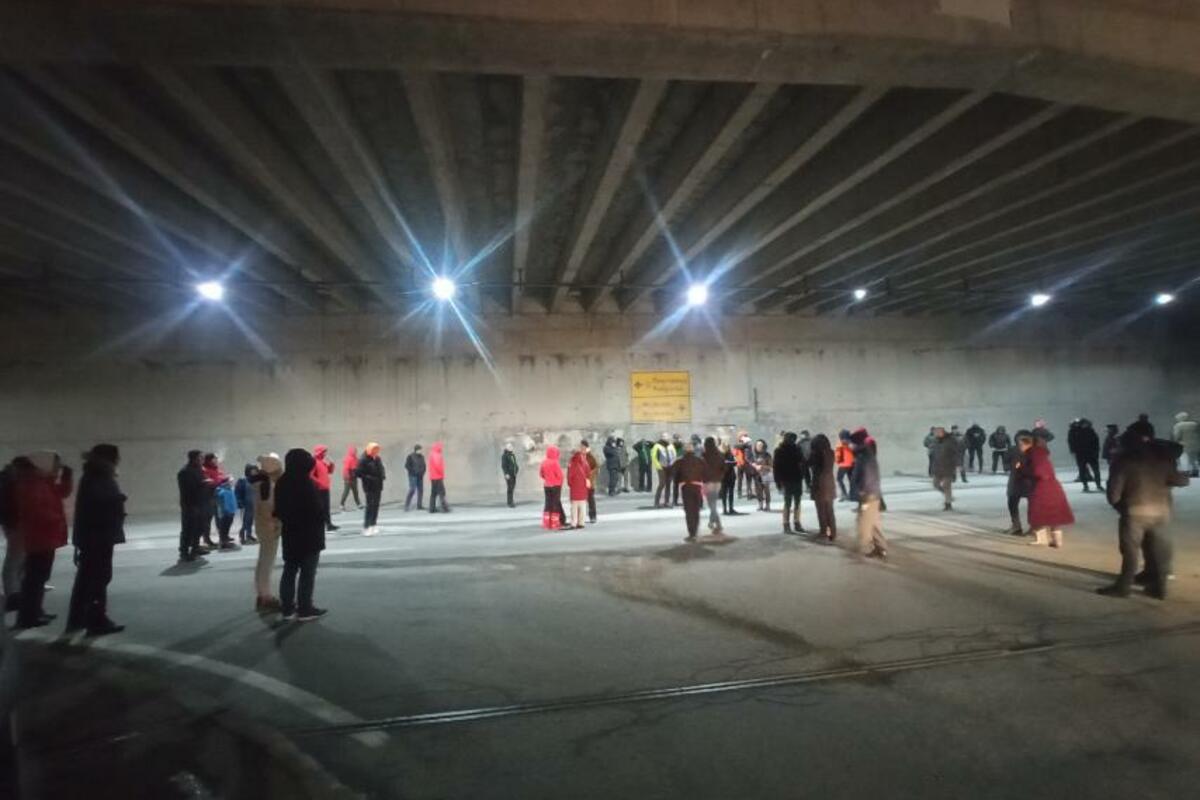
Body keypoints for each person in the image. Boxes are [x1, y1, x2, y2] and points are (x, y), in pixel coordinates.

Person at [1098, 423, 1188, 599]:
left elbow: (1113, 495)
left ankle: (1123, 587)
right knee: (1158, 550)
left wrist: (1121, 507)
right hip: (1161, 511)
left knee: (1130, 551)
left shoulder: (1123, 462)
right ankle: (1159, 589)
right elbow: (1182, 481)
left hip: (1135, 512)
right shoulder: (1162, 459)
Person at [66, 444, 126, 636]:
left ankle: (79, 619)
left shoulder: (93, 474)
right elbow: (100, 504)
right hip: (98, 536)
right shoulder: (99, 476)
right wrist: (118, 500)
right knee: (98, 578)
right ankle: (96, 620)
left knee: (87, 579)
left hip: (93, 535)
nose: (118, 460)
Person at [13, 451, 73, 628]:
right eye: (55, 464)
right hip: (40, 537)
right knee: (35, 578)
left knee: (38, 577)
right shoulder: (31, 484)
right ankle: (28, 616)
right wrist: (57, 520)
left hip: (45, 536)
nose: (57, 467)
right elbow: (37, 512)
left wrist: (66, 476)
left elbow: (62, 492)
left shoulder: (41, 481)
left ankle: (34, 611)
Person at [273, 449, 327, 622]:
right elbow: (316, 509)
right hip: (309, 535)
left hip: (290, 534)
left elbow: (278, 509)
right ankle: (304, 609)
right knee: (307, 573)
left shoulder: (282, 481)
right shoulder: (306, 482)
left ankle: (287, 609)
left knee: (289, 571)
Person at [1026, 431, 1074, 547]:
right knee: (1054, 514)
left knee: (1038, 513)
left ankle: (1042, 539)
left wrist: (1027, 473)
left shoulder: (1035, 452)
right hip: (1053, 486)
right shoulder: (1043, 453)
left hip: (1041, 487)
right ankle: (1057, 540)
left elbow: (1039, 471)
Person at [251, 453, 283, 611]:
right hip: (269, 527)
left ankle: (261, 593)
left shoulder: (260, 483)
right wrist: (275, 522)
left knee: (263, 560)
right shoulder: (267, 485)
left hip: (263, 527)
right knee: (267, 563)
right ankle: (266, 597)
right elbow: (267, 509)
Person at [1, 457, 32, 612]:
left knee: (18, 558)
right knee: (16, 558)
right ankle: (13, 594)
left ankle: (15, 592)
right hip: (15, 523)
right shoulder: (11, 482)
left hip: (13, 523)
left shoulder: (8, 480)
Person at [850, 429, 887, 560]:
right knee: (874, 522)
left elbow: (868, 475)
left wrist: (863, 491)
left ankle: (865, 548)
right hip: (872, 495)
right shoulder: (867, 455)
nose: (851, 445)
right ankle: (880, 548)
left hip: (868, 496)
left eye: (852, 443)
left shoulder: (863, 457)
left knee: (863, 522)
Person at [177, 450, 209, 562]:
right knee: (188, 528)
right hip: (190, 505)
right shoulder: (185, 472)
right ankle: (184, 551)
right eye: (201, 457)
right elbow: (188, 489)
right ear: (194, 458)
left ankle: (195, 548)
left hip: (201, 503)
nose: (203, 460)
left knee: (200, 527)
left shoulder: (199, 469)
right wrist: (204, 483)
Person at [1004, 431, 1035, 536]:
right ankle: (1017, 525)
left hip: (1027, 480)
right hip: (1018, 480)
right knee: (1013, 502)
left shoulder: (1034, 451)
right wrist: (1013, 467)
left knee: (1032, 504)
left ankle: (1032, 526)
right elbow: (1006, 464)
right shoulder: (1012, 450)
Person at [773, 432, 806, 534]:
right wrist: (778, 481)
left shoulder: (783, 450)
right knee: (792, 502)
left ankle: (791, 523)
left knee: (792, 502)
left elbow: (776, 468)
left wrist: (778, 481)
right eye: (791, 439)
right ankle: (791, 523)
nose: (792, 441)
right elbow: (776, 467)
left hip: (791, 478)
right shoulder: (783, 450)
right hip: (791, 478)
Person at [809, 434, 837, 542]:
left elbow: (808, 464)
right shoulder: (831, 452)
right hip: (830, 482)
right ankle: (832, 532)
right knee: (829, 509)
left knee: (821, 510)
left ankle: (824, 531)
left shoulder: (815, 454)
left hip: (819, 483)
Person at [677, 442, 707, 542]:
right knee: (696, 510)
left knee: (689, 511)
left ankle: (692, 533)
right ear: (693, 450)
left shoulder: (680, 461)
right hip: (697, 487)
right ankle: (695, 531)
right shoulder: (700, 460)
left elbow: (675, 474)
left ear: (684, 450)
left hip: (686, 487)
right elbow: (706, 473)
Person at [357, 443, 386, 535]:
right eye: (374, 449)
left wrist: (383, 475)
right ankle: (366, 526)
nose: (375, 451)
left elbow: (381, 468)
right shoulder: (363, 460)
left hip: (378, 485)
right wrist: (369, 478)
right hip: (369, 486)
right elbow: (359, 473)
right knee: (370, 505)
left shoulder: (377, 458)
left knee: (376, 505)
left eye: (376, 450)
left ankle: (373, 524)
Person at [200, 453, 227, 548]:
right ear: (209, 460)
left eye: (216, 458)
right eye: (214, 458)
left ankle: (222, 537)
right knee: (208, 519)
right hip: (209, 497)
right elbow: (209, 483)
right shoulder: (204, 470)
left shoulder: (216, 469)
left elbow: (220, 477)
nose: (216, 460)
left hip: (218, 496)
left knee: (219, 518)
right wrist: (221, 482)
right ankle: (206, 539)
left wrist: (225, 480)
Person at [310, 445, 339, 532]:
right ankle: (319, 525)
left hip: (325, 488)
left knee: (326, 507)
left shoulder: (322, 462)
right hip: (319, 489)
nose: (325, 454)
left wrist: (332, 464)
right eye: (324, 452)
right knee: (320, 508)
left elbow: (330, 471)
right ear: (319, 452)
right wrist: (319, 482)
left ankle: (329, 524)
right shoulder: (314, 462)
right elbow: (310, 475)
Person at [540, 445, 567, 530]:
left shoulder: (544, 462)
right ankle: (555, 523)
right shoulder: (555, 463)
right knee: (555, 503)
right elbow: (560, 475)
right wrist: (560, 482)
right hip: (556, 486)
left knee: (547, 503)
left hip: (546, 485)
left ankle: (546, 522)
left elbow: (541, 474)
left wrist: (547, 479)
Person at [931, 427, 959, 511]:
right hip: (938, 467)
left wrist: (957, 465)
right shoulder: (936, 441)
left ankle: (948, 503)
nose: (937, 434)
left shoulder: (950, 441)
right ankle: (949, 496)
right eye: (936, 433)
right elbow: (934, 454)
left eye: (938, 432)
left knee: (946, 485)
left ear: (943, 432)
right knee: (935, 484)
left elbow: (956, 453)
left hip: (948, 467)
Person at [701, 437, 725, 534]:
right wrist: (720, 477)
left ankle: (718, 524)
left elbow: (702, 468)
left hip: (708, 482)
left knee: (712, 505)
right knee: (713, 503)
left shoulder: (704, 455)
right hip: (717, 482)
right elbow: (723, 468)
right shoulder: (720, 454)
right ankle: (712, 522)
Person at [1073, 418, 1102, 492]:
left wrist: (1096, 452)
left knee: (1091, 470)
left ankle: (1094, 485)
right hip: (1085, 454)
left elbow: (1096, 443)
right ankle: (1088, 486)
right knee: (1086, 470)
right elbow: (1096, 443)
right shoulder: (1079, 432)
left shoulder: (1079, 432)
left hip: (1086, 454)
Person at [566, 446, 590, 530]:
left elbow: (570, 476)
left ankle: (574, 523)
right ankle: (581, 523)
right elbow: (588, 472)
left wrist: (570, 484)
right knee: (582, 506)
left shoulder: (572, 463)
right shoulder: (584, 461)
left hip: (574, 487)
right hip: (583, 487)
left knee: (574, 507)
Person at [235, 465, 259, 545]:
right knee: (246, 521)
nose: (254, 472)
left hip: (254, 504)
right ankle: (242, 535)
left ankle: (249, 535)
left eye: (255, 470)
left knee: (251, 521)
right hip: (246, 504)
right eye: (253, 470)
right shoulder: (243, 480)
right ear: (248, 471)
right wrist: (239, 502)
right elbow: (238, 492)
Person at [1173, 411, 1200, 477]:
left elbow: (1177, 436)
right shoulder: (1195, 424)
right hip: (1196, 444)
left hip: (1184, 445)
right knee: (1194, 458)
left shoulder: (1178, 425)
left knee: (1184, 458)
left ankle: (1186, 471)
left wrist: (1175, 442)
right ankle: (1195, 471)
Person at [214, 478, 238, 548]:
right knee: (223, 528)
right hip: (225, 513)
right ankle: (223, 542)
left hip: (231, 512)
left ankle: (225, 540)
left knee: (227, 527)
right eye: (230, 482)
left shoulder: (230, 490)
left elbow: (233, 500)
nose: (232, 483)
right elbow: (219, 502)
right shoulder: (221, 491)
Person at [651, 434, 673, 509]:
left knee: (668, 484)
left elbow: (674, 455)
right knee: (662, 483)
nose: (667, 439)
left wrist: (673, 464)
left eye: (667, 438)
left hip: (670, 466)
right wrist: (658, 466)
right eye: (665, 438)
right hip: (661, 467)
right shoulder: (657, 446)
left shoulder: (670, 446)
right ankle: (656, 502)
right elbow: (654, 457)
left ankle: (667, 502)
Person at [751, 438, 772, 511]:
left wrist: (762, 467)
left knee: (766, 490)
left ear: (764, 446)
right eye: (757, 445)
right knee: (758, 490)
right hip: (756, 475)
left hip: (766, 474)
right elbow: (751, 463)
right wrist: (754, 465)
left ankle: (768, 505)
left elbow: (771, 466)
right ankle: (760, 505)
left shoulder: (767, 455)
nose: (758, 447)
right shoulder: (754, 455)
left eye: (760, 445)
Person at [427, 442, 449, 513]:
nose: (441, 448)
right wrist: (442, 473)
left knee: (433, 493)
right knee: (442, 493)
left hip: (433, 477)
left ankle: (432, 509)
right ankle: (445, 508)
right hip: (438, 477)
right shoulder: (437, 455)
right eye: (441, 447)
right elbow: (438, 466)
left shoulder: (432, 454)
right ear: (438, 448)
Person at [719, 441, 739, 516]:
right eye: (724, 447)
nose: (726, 448)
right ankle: (724, 509)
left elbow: (735, 462)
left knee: (731, 493)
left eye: (727, 447)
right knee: (724, 493)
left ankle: (731, 508)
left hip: (731, 476)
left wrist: (729, 462)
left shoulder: (730, 454)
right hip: (723, 477)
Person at [339, 446, 362, 511]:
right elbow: (346, 469)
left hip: (354, 477)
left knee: (355, 491)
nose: (355, 452)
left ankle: (358, 504)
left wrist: (357, 473)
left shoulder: (356, 459)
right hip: (348, 477)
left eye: (355, 451)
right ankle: (341, 504)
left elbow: (357, 466)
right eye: (354, 451)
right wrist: (347, 477)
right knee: (346, 491)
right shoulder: (348, 459)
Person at [834, 430, 854, 501]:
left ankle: (844, 494)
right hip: (851, 464)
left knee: (839, 479)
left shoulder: (840, 444)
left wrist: (837, 461)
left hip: (843, 465)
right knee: (851, 479)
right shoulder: (852, 443)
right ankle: (852, 494)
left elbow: (838, 455)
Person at [404, 444, 425, 511]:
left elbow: (424, 465)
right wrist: (412, 471)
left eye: (421, 450)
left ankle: (419, 505)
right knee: (412, 490)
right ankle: (407, 505)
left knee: (420, 490)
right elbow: (407, 466)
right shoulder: (410, 456)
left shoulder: (422, 457)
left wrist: (423, 472)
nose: (420, 451)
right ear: (416, 450)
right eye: (419, 450)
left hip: (420, 476)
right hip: (413, 476)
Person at [583, 441, 599, 522]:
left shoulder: (590, 456)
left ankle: (593, 516)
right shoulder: (579, 456)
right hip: (581, 482)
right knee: (580, 501)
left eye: (583, 447)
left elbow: (596, 467)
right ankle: (580, 518)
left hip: (589, 481)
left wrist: (590, 474)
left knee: (590, 499)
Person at [735, 433, 753, 498]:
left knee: (748, 479)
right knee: (740, 479)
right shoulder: (738, 445)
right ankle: (740, 493)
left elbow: (750, 453)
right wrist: (746, 443)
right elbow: (737, 448)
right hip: (740, 464)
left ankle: (748, 492)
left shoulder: (748, 445)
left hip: (746, 464)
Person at [501, 443, 519, 508]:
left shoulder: (512, 455)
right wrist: (506, 473)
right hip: (509, 474)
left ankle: (511, 500)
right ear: (506, 448)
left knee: (512, 487)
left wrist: (517, 469)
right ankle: (510, 502)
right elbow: (504, 466)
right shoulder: (505, 455)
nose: (511, 447)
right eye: (509, 447)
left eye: (511, 446)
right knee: (510, 488)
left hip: (513, 474)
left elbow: (514, 463)